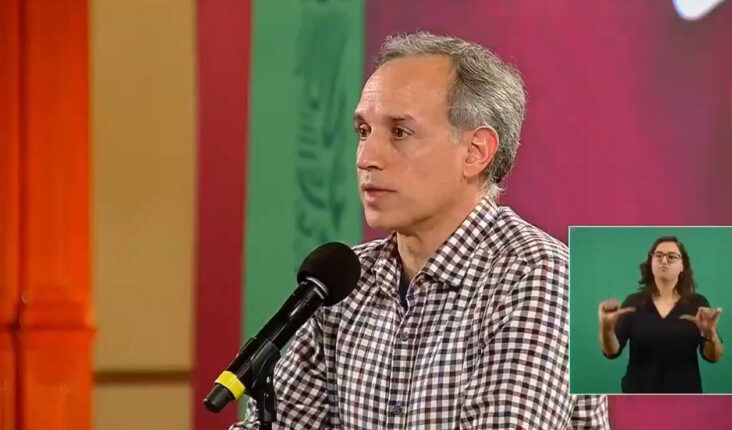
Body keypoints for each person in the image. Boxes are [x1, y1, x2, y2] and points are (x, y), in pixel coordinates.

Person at [231, 31, 608, 429]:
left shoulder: (541, 275)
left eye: (400, 132)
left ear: (475, 152)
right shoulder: (344, 283)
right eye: (363, 132)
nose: (367, 157)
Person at [598, 236, 724, 393]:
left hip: (685, 396)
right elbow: (611, 352)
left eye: (671, 256)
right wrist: (606, 328)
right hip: (638, 396)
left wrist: (711, 335)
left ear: (682, 266)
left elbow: (713, 357)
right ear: (651, 262)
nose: (664, 260)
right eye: (658, 255)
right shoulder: (634, 302)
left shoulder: (697, 304)